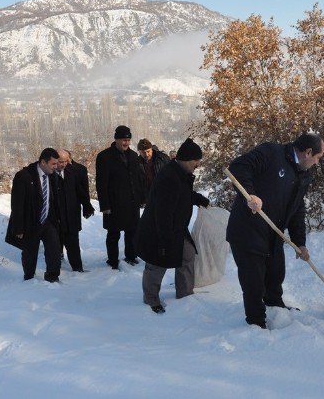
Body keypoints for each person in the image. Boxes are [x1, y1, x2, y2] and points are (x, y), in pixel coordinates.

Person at [226, 133, 324, 328]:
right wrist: (251, 194)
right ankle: (256, 322)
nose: (317, 162)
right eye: (318, 157)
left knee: (275, 274)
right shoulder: (272, 153)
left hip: (273, 234)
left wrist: (300, 243)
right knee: (253, 282)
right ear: (308, 152)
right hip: (248, 231)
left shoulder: (304, 174)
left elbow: (297, 209)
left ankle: (275, 307)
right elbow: (238, 167)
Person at [136, 138, 210, 314]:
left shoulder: (180, 173)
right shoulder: (169, 177)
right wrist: (164, 241)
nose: (198, 164)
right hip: (159, 231)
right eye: (196, 161)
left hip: (176, 228)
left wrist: (197, 198)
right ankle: (151, 299)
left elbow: (183, 194)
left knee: (188, 255)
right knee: (157, 264)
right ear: (186, 160)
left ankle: (185, 295)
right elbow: (162, 212)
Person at [5, 148, 63, 283]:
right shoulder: (24, 176)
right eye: (53, 164)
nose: (56, 167)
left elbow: (54, 199)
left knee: (54, 249)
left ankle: (52, 277)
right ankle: (29, 278)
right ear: (43, 162)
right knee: (30, 252)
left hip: (48, 221)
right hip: (30, 222)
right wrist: (18, 227)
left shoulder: (53, 176)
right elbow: (17, 204)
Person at [96, 125, 146, 269]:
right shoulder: (104, 157)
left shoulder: (133, 156)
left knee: (132, 231)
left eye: (128, 140)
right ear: (116, 139)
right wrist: (104, 205)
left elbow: (138, 179)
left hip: (132, 202)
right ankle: (112, 260)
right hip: (114, 203)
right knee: (113, 234)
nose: (126, 143)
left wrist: (142, 198)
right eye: (124, 140)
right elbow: (101, 183)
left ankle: (131, 256)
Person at [56, 149, 95, 272]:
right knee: (55, 243)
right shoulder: (48, 174)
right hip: (56, 216)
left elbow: (80, 191)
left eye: (66, 161)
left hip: (71, 213)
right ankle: (54, 270)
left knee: (73, 242)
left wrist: (87, 206)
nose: (64, 164)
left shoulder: (72, 171)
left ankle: (77, 268)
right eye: (61, 162)